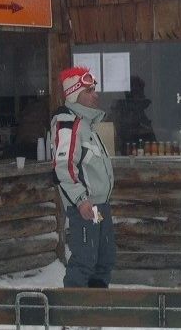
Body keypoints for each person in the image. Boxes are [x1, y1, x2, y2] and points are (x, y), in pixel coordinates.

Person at [51, 67, 116, 288]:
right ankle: (73, 316)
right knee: (84, 260)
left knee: (103, 258)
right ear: (75, 94)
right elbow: (63, 166)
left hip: (98, 208)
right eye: (89, 90)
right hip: (86, 209)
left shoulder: (87, 124)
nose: (95, 94)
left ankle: (95, 312)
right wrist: (80, 200)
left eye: (94, 89)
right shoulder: (69, 124)